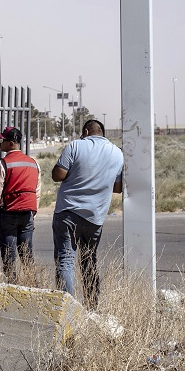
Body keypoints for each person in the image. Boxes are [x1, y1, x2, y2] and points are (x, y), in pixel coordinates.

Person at [51, 119, 123, 308]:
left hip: (67, 211)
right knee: (89, 260)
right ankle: (92, 306)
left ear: (86, 131)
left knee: (66, 259)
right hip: (94, 217)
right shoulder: (117, 153)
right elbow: (117, 187)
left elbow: (58, 174)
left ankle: (66, 309)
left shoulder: (76, 145)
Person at [0, 127, 41, 282]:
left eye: (1, 140)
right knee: (27, 255)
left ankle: (12, 287)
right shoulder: (33, 163)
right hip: (27, 214)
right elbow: (37, 190)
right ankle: (33, 286)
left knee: (8, 256)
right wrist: (33, 212)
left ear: (11, 143)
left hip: (7, 214)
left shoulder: (3, 164)